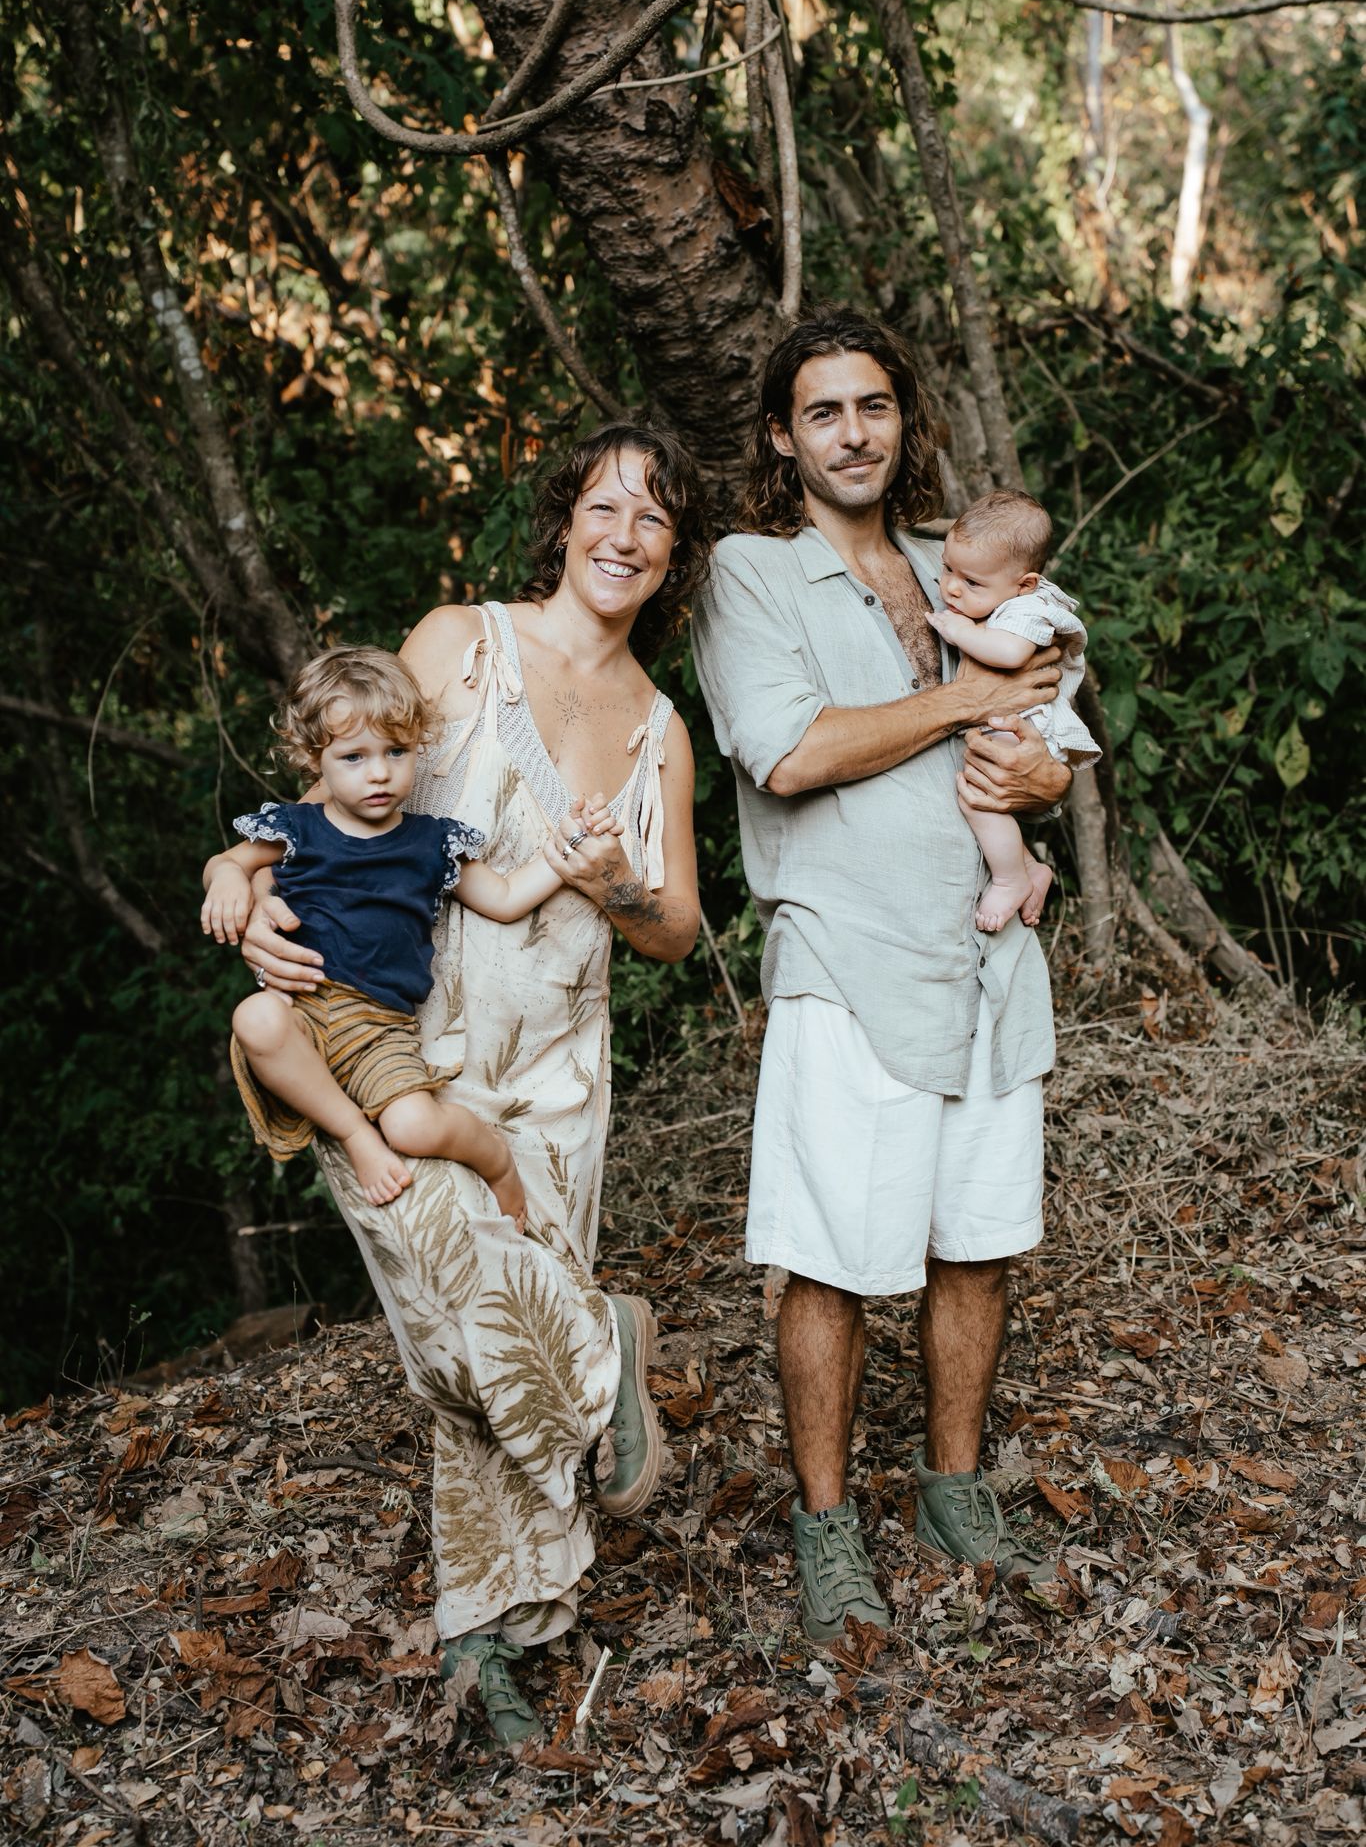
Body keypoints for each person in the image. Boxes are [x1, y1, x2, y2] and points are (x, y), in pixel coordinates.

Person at [204, 423, 707, 1745]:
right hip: (399, 1050)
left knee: (503, 1334)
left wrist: (619, 884)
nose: (623, 533)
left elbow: (679, 932)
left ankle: (508, 1628)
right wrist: (242, 890)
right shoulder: (458, 641)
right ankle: (611, 1359)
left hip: (557, 1069)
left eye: (652, 519)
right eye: (603, 505)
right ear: (562, 523)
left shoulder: (660, 732)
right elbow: (340, 796)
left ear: (670, 557)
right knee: (452, 1327)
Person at [691, 307, 1072, 1647]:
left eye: (871, 406)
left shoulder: (952, 558)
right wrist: (974, 708)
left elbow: (1058, 705)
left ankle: (953, 1488)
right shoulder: (749, 571)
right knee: (829, 1260)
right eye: (822, 413)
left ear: (902, 420)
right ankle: (824, 1522)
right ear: (781, 437)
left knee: (977, 1238)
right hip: (847, 960)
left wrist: (1047, 770)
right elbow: (784, 752)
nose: (851, 433)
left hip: (983, 954)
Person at [202, 643, 621, 1215]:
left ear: (418, 746)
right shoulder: (296, 826)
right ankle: (353, 1133)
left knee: (415, 1127)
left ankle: (494, 1157)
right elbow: (227, 863)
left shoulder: (431, 841)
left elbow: (502, 898)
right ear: (313, 758)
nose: (379, 773)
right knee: (253, 1017)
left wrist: (566, 848)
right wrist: (227, 881)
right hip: (299, 1005)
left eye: (395, 751)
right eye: (354, 757)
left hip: (379, 1026)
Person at [927, 491, 1101, 933]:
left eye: (972, 583)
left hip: (1027, 726)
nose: (951, 587)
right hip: (1009, 718)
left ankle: (1008, 880)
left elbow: (1009, 653)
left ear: (1024, 583)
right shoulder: (1002, 591)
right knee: (986, 800)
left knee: (979, 797)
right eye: (947, 568)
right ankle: (1030, 866)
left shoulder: (1030, 608)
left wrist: (961, 630)